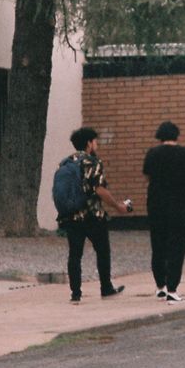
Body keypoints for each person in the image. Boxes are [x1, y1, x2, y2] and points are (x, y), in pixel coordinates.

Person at [60, 127, 131, 304]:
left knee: (74, 254)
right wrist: (117, 206)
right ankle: (106, 287)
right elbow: (100, 190)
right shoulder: (93, 162)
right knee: (102, 251)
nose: (96, 144)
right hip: (92, 215)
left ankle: (75, 293)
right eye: (95, 141)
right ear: (89, 143)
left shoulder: (65, 163)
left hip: (71, 216)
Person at [142, 120, 185, 303]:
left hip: (155, 206)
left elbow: (146, 176)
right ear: (176, 135)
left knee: (158, 245)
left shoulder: (152, 154)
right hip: (179, 206)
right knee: (177, 247)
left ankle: (160, 286)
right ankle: (172, 288)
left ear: (159, 136)